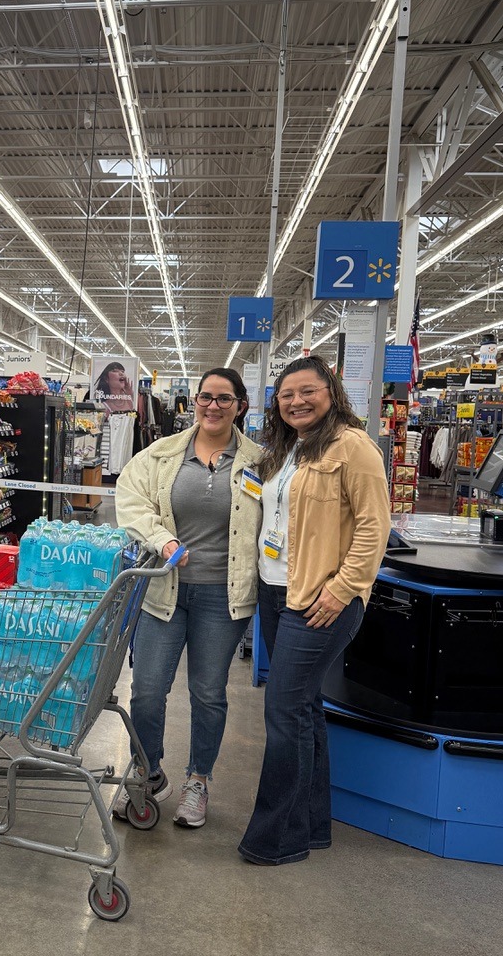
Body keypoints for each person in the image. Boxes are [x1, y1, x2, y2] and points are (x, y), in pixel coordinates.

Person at [238, 355, 390, 865]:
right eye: (287, 395)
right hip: (277, 592)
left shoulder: (354, 447)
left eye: (308, 391)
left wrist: (345, 587)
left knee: (283, 713)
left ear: (331, 391)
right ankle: (312, 824)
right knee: (303, 709)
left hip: (320, 601)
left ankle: (277, 838)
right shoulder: (285, 449)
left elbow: (374, 526)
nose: (297, 401)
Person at [115, 368, 262, 828]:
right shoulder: (161, 455)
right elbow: (131, 500)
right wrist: (163, 540)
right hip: (163, 590)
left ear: (240, 405)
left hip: (224, 596)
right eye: (205, 397)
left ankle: (198, 780)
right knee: (148, 690)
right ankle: (146, 770)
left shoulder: (261, 462)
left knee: (208, 693)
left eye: (224, 398)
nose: (212, 406)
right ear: (193, 402)